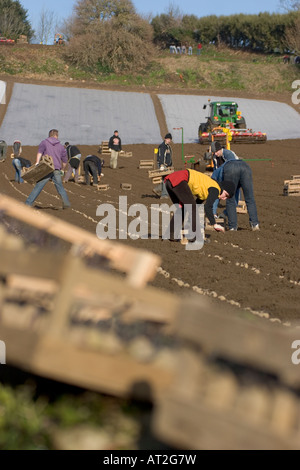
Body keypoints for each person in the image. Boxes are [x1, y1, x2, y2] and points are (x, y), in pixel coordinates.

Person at [164, 168, 235, 243]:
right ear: (223, 189)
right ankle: (194, 237)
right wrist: (214, 224)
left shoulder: (209, 186)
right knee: (192, 207)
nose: (224, 198)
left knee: (183, 209)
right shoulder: (216, 189)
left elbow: (198, 205)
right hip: (180, 179)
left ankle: (171, 235)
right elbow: (207, 207)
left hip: (170, 180)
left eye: (227, 197)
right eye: (226, 195)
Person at [211, 141, 260, 231]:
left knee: (231, 199)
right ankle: (255, 224)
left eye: (216, 151)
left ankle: (233, 227)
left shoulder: (227, 156)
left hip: (232, 170)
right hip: (246, 167)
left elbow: (215, 189)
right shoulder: (216, 160)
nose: (215, 154)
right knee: (250, 198)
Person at [25, 129, 70, 209]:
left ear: (49, 135)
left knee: (38, 186)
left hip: (47, 168)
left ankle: (28, 204)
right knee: (60, 186)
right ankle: (66, 204)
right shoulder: (61, 146)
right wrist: (62, 169)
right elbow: (65, 161)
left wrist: (37, 163)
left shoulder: (44, 142)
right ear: (56, 135)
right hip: (56, 169)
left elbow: (39, 152)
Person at [211, 141, 240, 217]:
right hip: (222, 175)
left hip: (234, 176)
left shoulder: (229, 154)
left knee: (234, 198)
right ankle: (213, 213)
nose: (215, 154)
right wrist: (213, 180)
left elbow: (232, 167)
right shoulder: (215, 157)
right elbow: (215, 169)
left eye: (216, 152)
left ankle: (225, 213)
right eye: (214, 152)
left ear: (220, 149)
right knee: (216, 191)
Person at [153, 133, 173, 199]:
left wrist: (170, 165)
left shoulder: (168, 147)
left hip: (167, 166)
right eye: (168, 139)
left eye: (170, 139)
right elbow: (161, 156)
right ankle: (164, 195)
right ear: (165, 139)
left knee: (166, 180)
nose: (169, 140)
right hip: (163, 165)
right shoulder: (162, 146)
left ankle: (157, 189)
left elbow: (169, 157)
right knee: (165, 180)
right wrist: (161, 165)